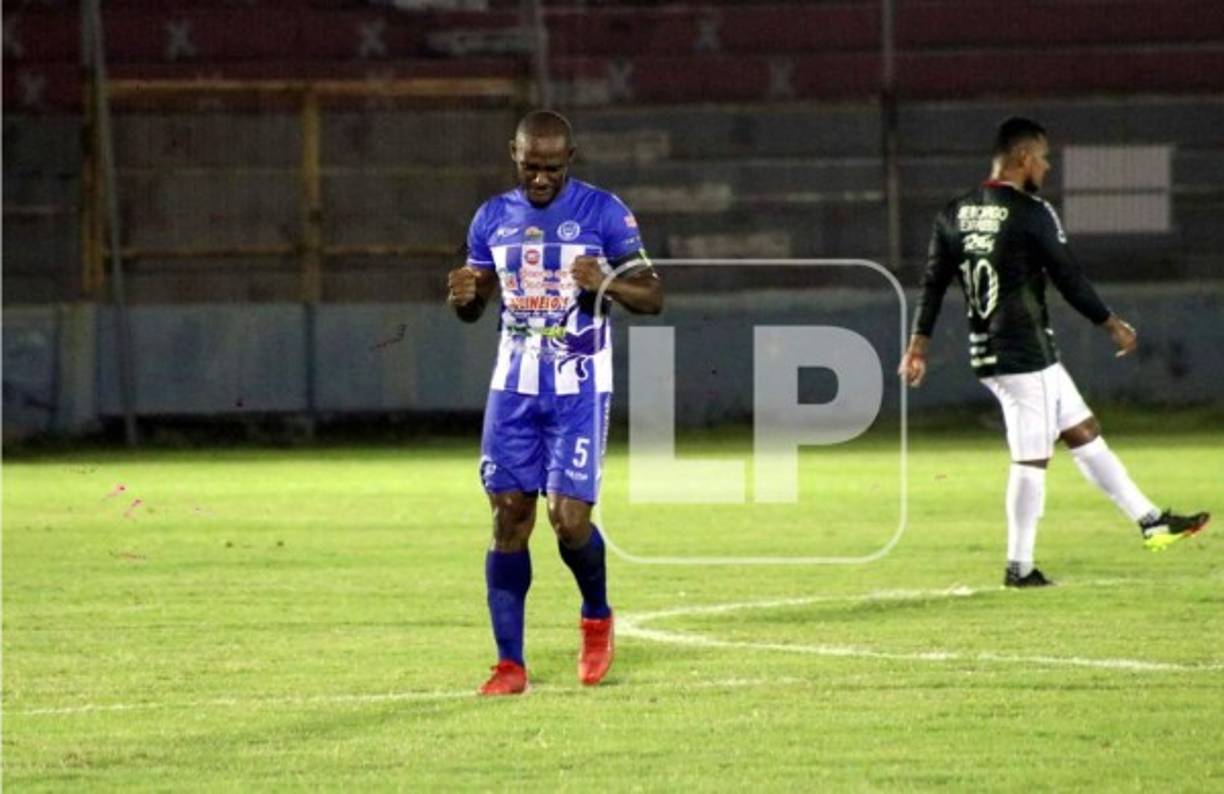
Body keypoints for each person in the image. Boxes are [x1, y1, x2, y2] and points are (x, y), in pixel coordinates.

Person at [898, 116, 1209, 588]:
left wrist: (918, 345)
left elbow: (933, 283)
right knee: (1031, 459)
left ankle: (1151, 522)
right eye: (1043, 158)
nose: (1047, 167)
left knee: (1083, 431)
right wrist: (1111, 323)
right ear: (1023, 158)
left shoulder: (954, 212)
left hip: (990, 350)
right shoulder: (1031, 212)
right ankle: (1019, 568)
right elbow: (1068, 276)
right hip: (1025, 352)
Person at [446, 110, 663, 694]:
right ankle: (509, 664)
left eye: (551, 168)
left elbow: (653, 296)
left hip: (579, 387)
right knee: (508, 517)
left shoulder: (604, 212)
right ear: (513, 156)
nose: (540, 178)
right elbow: (475, 302)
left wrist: (607, 282)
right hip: (513, 390)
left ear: (571, 158)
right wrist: (464, 297)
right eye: (530, 167)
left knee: (568, 522)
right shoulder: (491, 217)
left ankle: (596, 616)